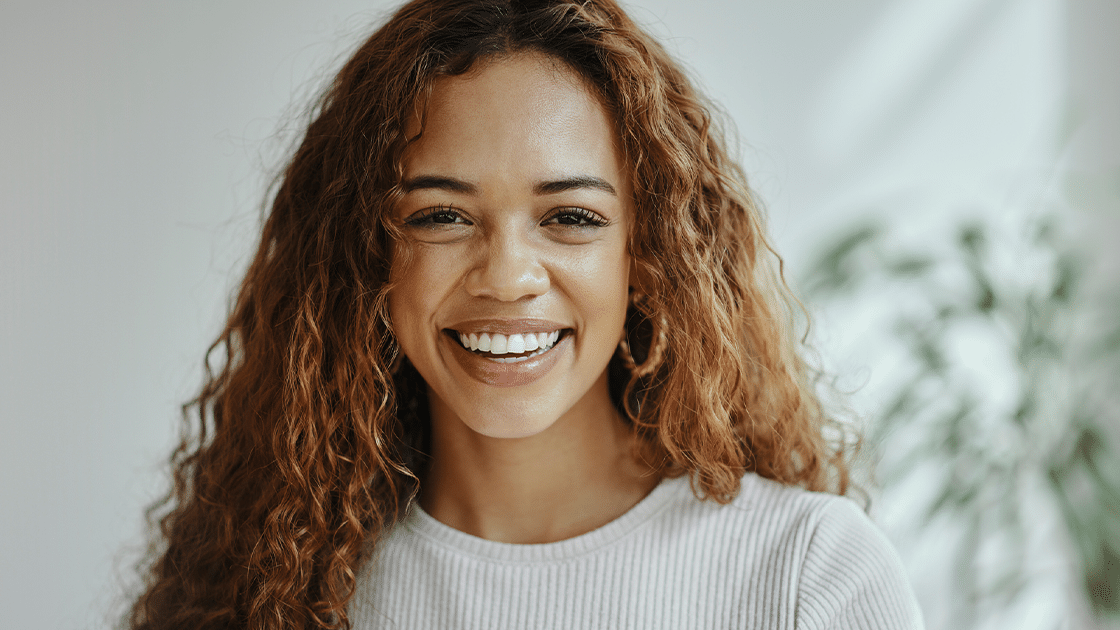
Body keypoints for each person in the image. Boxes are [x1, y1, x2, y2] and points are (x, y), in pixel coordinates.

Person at [130, 0, 923, 628]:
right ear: (368, 260)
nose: (507, 277)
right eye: (440, 215)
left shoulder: (806, 577)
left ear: (645, 260)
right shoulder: (271, 585)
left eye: (570, 217)